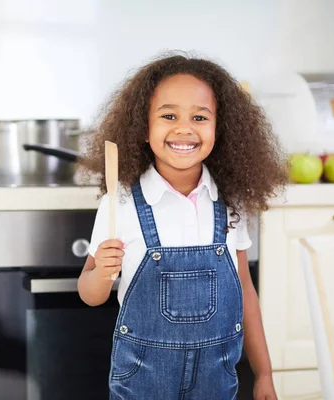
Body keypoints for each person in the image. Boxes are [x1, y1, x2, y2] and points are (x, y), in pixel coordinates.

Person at [77, 53, 288, 399]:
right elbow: (89, 293)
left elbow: (245, 292)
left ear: (221, 129)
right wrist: (102, 273)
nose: (184, 128)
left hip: (216, 379)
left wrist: (264, 372)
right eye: (169, 115)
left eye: (200, 117)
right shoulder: (121, 202)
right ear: (143, 128)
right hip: (143, 379)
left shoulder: (229, 202)